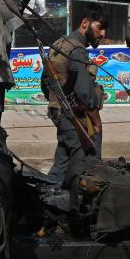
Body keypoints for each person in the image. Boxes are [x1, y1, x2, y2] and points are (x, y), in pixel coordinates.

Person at [43, 11, 107, 184]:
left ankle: (47, 204)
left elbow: (45, 83)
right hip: (76, 118)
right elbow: (84, 92)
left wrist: (58, 104)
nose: (103, 34)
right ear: (85, 23)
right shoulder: (77, 50)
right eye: (99, 28)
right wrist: (97, 122)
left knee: (61, 168)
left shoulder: (60, 43)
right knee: (86, 171)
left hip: (62, 116)